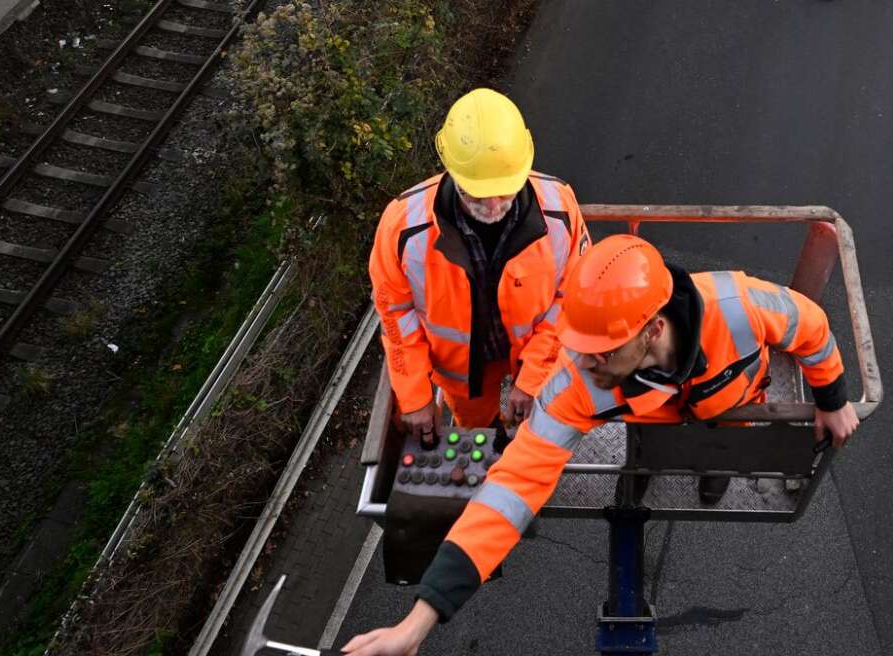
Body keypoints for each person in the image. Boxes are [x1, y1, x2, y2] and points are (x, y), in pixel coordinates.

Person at [342, 235, 860, 656]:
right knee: (645, 463)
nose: (585, 366)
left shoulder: (741, 306)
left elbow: (810, 328)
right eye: (579, 350)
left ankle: (712, 475)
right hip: (652, 424)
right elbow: (510, 488)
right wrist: (418, 620)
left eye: (599, 353)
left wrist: (832, 396)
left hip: (732, 410)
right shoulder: (579, 383)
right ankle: (654, 474)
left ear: (653, 329)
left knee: (717, 456)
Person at [370, 89, 590, 441]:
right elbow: (395, 315)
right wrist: (414, 396)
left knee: (540, 425)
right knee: (477, 432)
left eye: (503, 190)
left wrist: (534, 377)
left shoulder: (560, 210)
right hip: (462, 373)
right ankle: (490, 440)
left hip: (536, 351)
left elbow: (571, 298)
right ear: (450, 170)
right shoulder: (402, 228)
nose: (491, 204)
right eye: (475, 192)